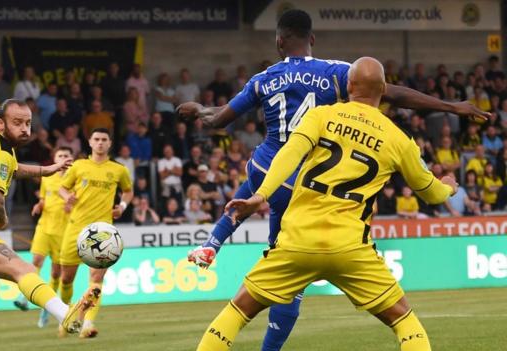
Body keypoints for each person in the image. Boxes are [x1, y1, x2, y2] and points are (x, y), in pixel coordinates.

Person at [178, 10, 488, 351]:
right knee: (403, 323)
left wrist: (201, 113)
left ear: (279, 42)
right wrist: (449, 108)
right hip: (336, 224)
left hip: (277, 179)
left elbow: (226, 122)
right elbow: (397, 98)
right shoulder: (341, 79)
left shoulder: (275, 87)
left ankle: (214, 242)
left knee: (245, 301)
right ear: (312, 40)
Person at [0, 99, 95, 351]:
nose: (25, 129)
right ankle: (64, 314)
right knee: (24, 270)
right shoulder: (1, 150)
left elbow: (14, 168)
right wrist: (2, 220)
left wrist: (47, 170)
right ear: (1, 123)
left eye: (28, 123)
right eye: (17, 122)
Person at [58, 128, 133, 338]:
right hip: (75, 229)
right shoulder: (79, 166)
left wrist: (123, 206)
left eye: (104, 140)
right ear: (90, 142)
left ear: (109, 143)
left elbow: (128, 191)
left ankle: (87, 324)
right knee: (66, 279)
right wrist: (67, 197)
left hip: (103, 234)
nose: (100, 143)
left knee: (96, 281)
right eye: (96, 139)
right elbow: (62, 187)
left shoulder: (119, 170)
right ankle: (64, 316)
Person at [14, 147, 74, 329]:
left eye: (66, 156)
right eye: (60, 156)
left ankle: (46, 311)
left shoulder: (75, 180)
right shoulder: (48, 178)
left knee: (56, 274)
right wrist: (39, 206)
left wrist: (72, 207)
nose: (63, 158)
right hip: (44, 227)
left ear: (71, 160)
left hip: (63, 232)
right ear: (55, 159)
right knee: (37, 260)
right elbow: (43, 198)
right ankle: (24, 298)